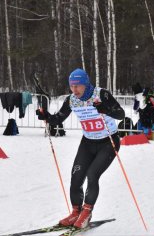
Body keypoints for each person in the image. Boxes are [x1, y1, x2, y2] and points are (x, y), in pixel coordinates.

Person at [36, 68, 125, 229]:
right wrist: (46, 117)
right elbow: (59, 118)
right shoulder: (72, 100)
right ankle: (76, 212)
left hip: (108, 142)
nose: (74, 89)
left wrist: (105, 109)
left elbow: (121, 114)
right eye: (72, 86)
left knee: (92, 174)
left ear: (85, 84)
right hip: (88, 142)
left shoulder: (101, 94)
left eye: (78, 86)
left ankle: (87, 212)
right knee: (76, 177)